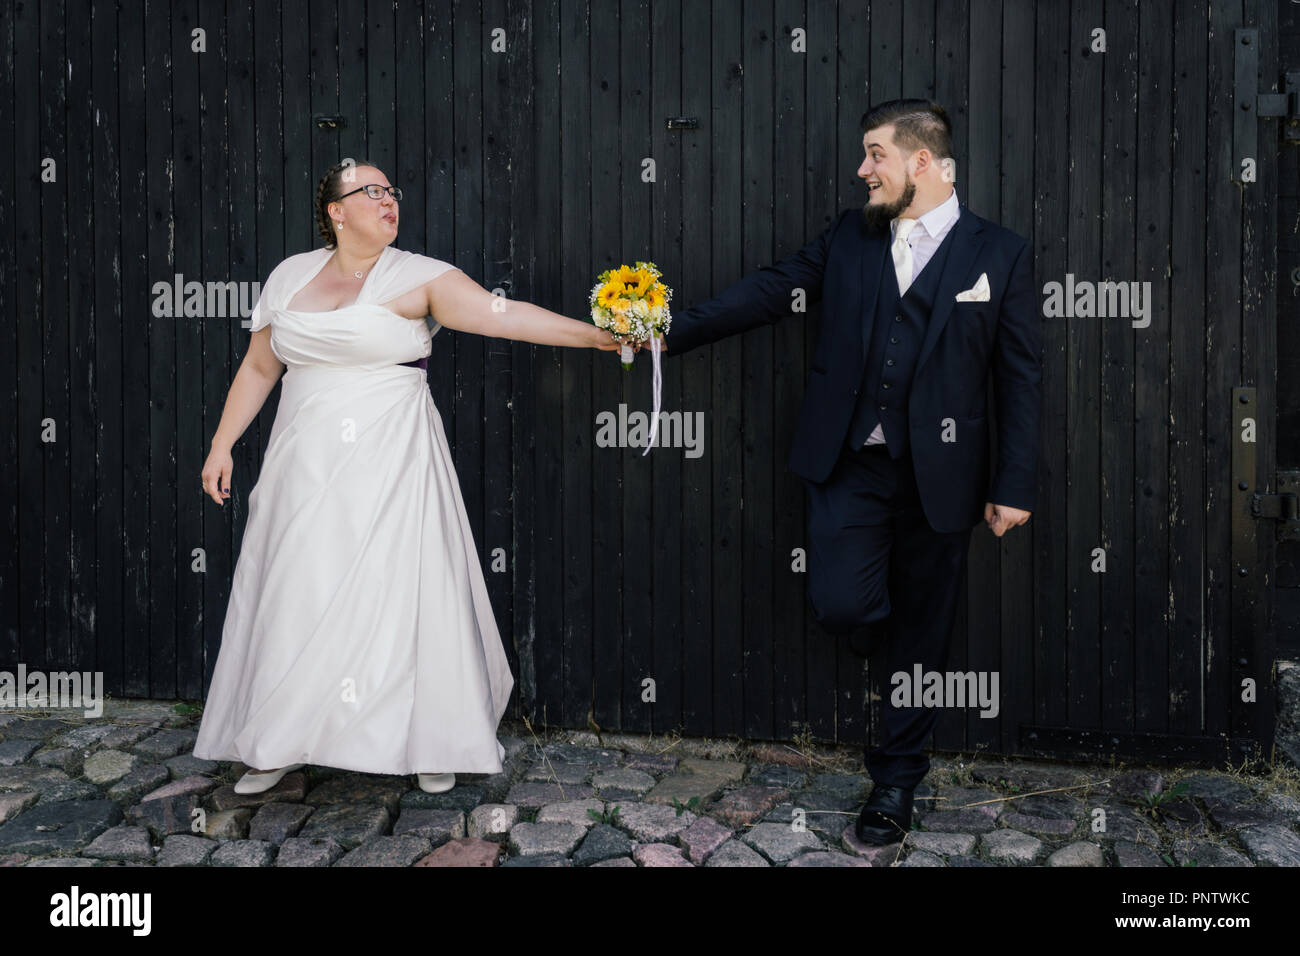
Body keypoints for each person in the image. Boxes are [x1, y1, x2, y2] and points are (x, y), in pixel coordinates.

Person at [648, 100, 1041, 845]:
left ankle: (895, 780)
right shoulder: (849, 237)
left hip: (947, 476)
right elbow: (769, 291)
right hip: (848, 463)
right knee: (844, 605)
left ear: (920, 162)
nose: (863, 170)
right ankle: (875, 632)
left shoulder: (1001, 254)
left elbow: (1021, 377)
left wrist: (1013, 484)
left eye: (874, 155)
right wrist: (667, 329)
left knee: (925, 637)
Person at [194, 159, 619, 796]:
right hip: (302, 468)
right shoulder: (287, 276)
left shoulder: (422, 277)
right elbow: (259, 368)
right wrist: (222, 444)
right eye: (370, 191)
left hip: (392, 461)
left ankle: (429, 735)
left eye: (391, 191)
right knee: (297, 589)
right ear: (335, 211)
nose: (388, 200)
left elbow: (504, 317)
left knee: (406, 589)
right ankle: (278, 737)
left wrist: (599, 338)